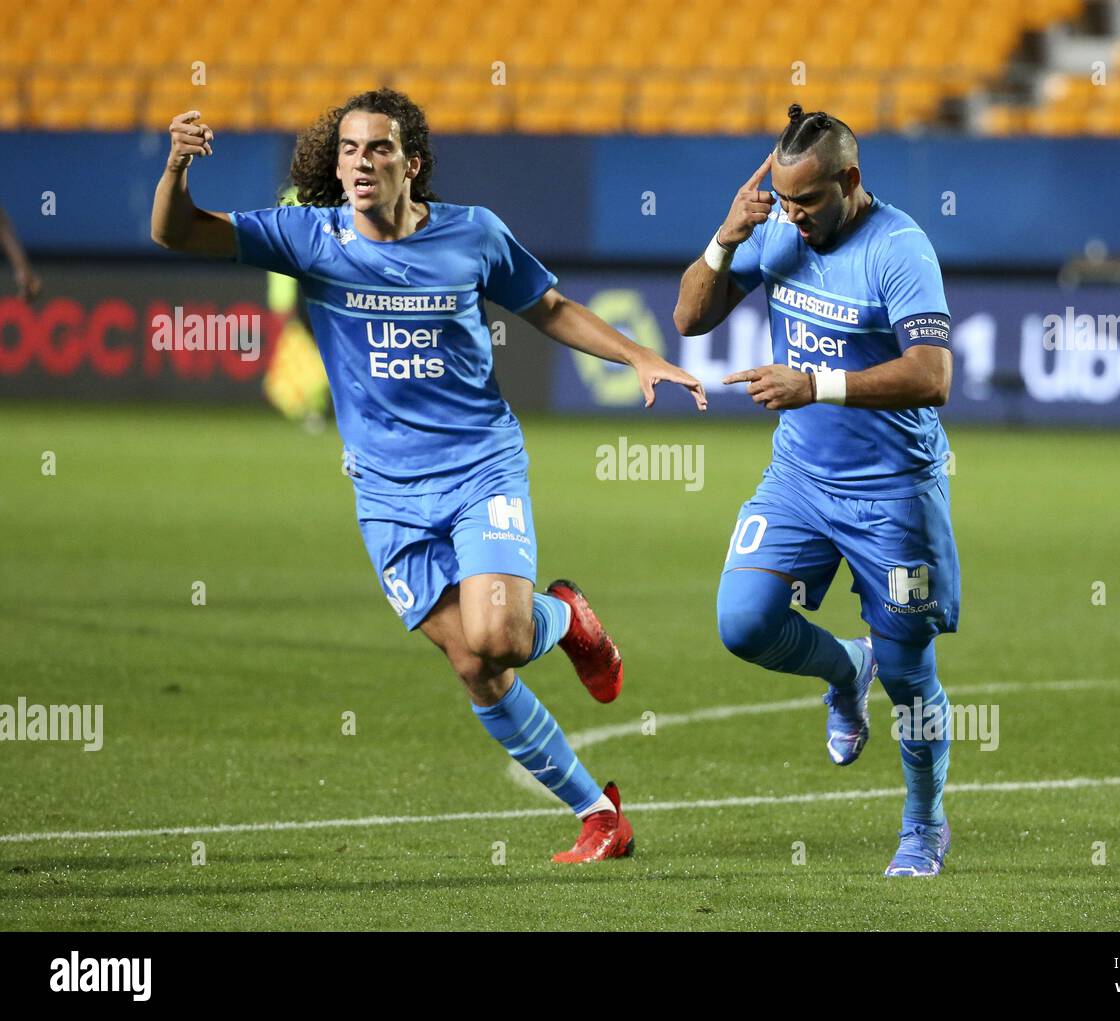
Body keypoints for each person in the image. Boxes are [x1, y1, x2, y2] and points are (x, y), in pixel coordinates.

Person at [151, 88, 708, 862]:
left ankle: (563, 619)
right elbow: (177, 231)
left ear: (411, 163)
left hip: (480, 466)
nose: (360, 162)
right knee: (474, 663)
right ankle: (599, 814)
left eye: (378, 148)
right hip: (385, 493)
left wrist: (638, 354)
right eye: (348, 149)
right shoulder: (308, 238)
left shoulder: (472, 235)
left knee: (501, 635)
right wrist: (178, 166)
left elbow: (546, 306)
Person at [674, 104, 959, 877]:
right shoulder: (774, 233)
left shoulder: (900, 248)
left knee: (910, 675)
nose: (793, 217)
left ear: (850, 181)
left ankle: (923, 823)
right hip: (800, 477)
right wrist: (727, 235)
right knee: (743, 621)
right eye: (783, 199)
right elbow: (689, 316)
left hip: (893, 493)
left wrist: (816, 383)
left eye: (807, 201)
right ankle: (843, 669)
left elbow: (933, 375)